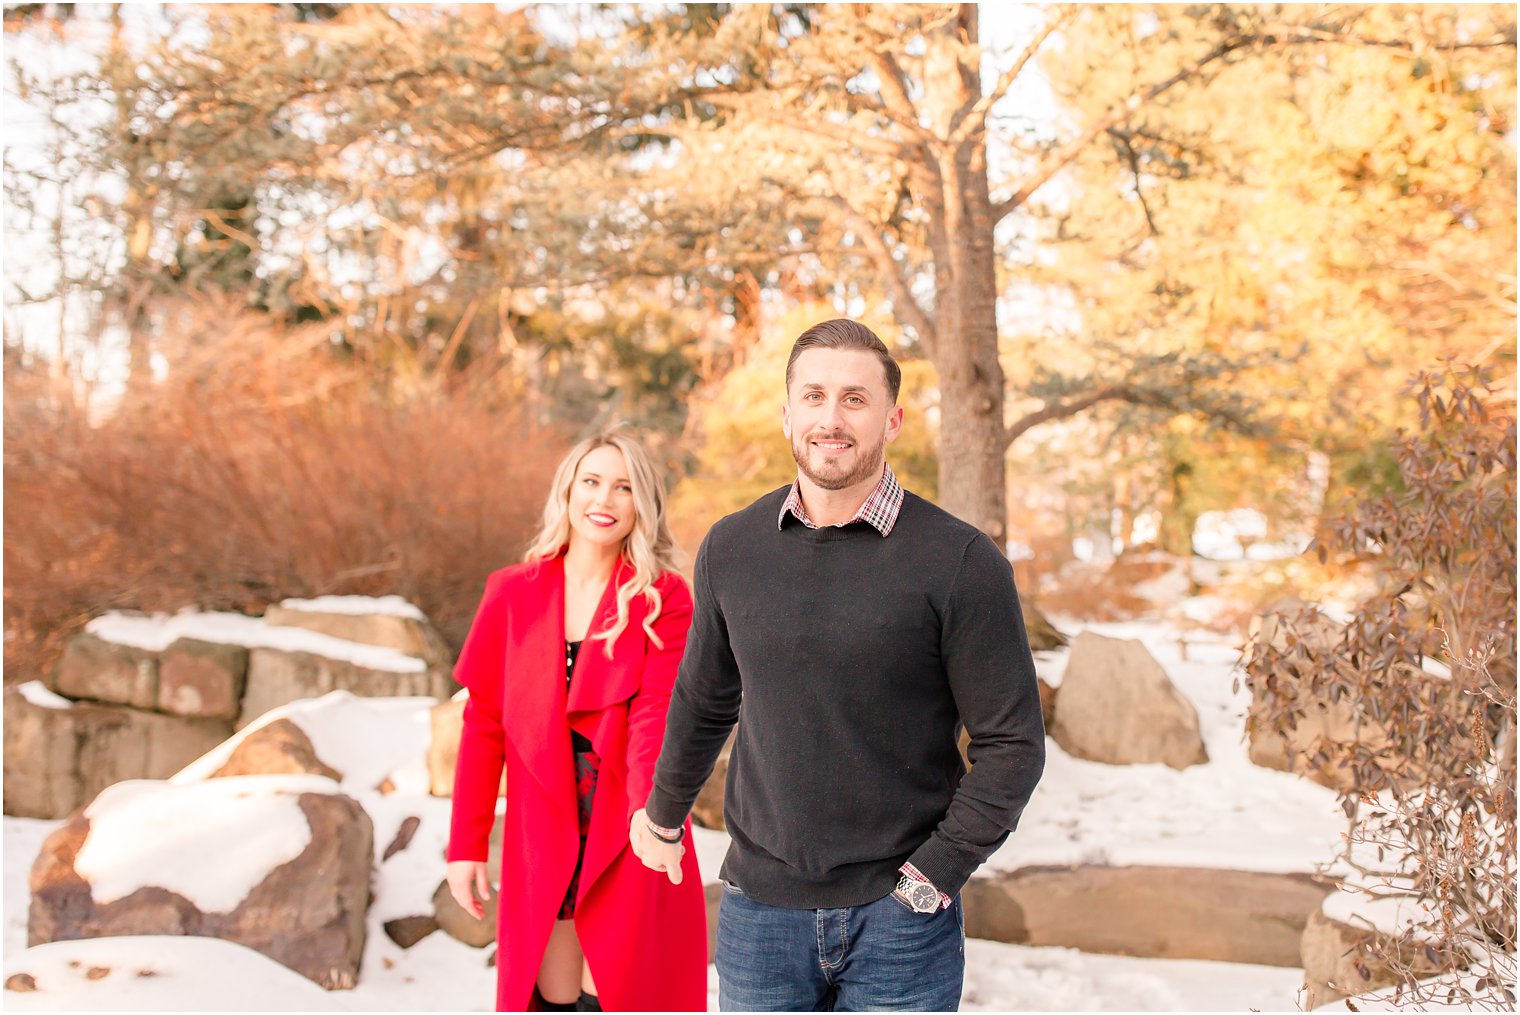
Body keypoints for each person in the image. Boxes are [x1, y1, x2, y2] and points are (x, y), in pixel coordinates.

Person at [629, 319, 1047, 1012]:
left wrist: (931, 876)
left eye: (855, 398)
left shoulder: (960, 562)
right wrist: (664, 813)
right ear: (787, 413)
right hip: (760, 916)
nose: (832, 417)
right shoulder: (732, 547)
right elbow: (706, 697)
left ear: (893, 419)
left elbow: (1012, 745)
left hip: (901, 921)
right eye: (815, 395)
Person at [447, 428, 708, 1013]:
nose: (605, 500)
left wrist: (652, 819)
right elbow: (483, 724)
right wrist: (465, 846)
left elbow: (656, 715)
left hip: (628, 827)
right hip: (542, 831)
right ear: (567, 492)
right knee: (553, 993)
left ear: (642, 503)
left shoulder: (663, 598)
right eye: (591, 482)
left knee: (618, 989)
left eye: (623, 487)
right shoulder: (511, 592)